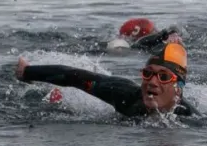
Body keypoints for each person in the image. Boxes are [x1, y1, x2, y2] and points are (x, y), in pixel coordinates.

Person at [15, 41, 197, 117]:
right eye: (148, 73)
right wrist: (28, 72)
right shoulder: (125, 95)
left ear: (178, 87)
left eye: (163, 77)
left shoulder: (188, 117)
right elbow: (76, 77)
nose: (152, 81)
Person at [107, 17, 182, 54]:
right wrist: (165, 34)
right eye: (154, 29)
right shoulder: (143, 44)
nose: (156, 30)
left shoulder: (123, 44)